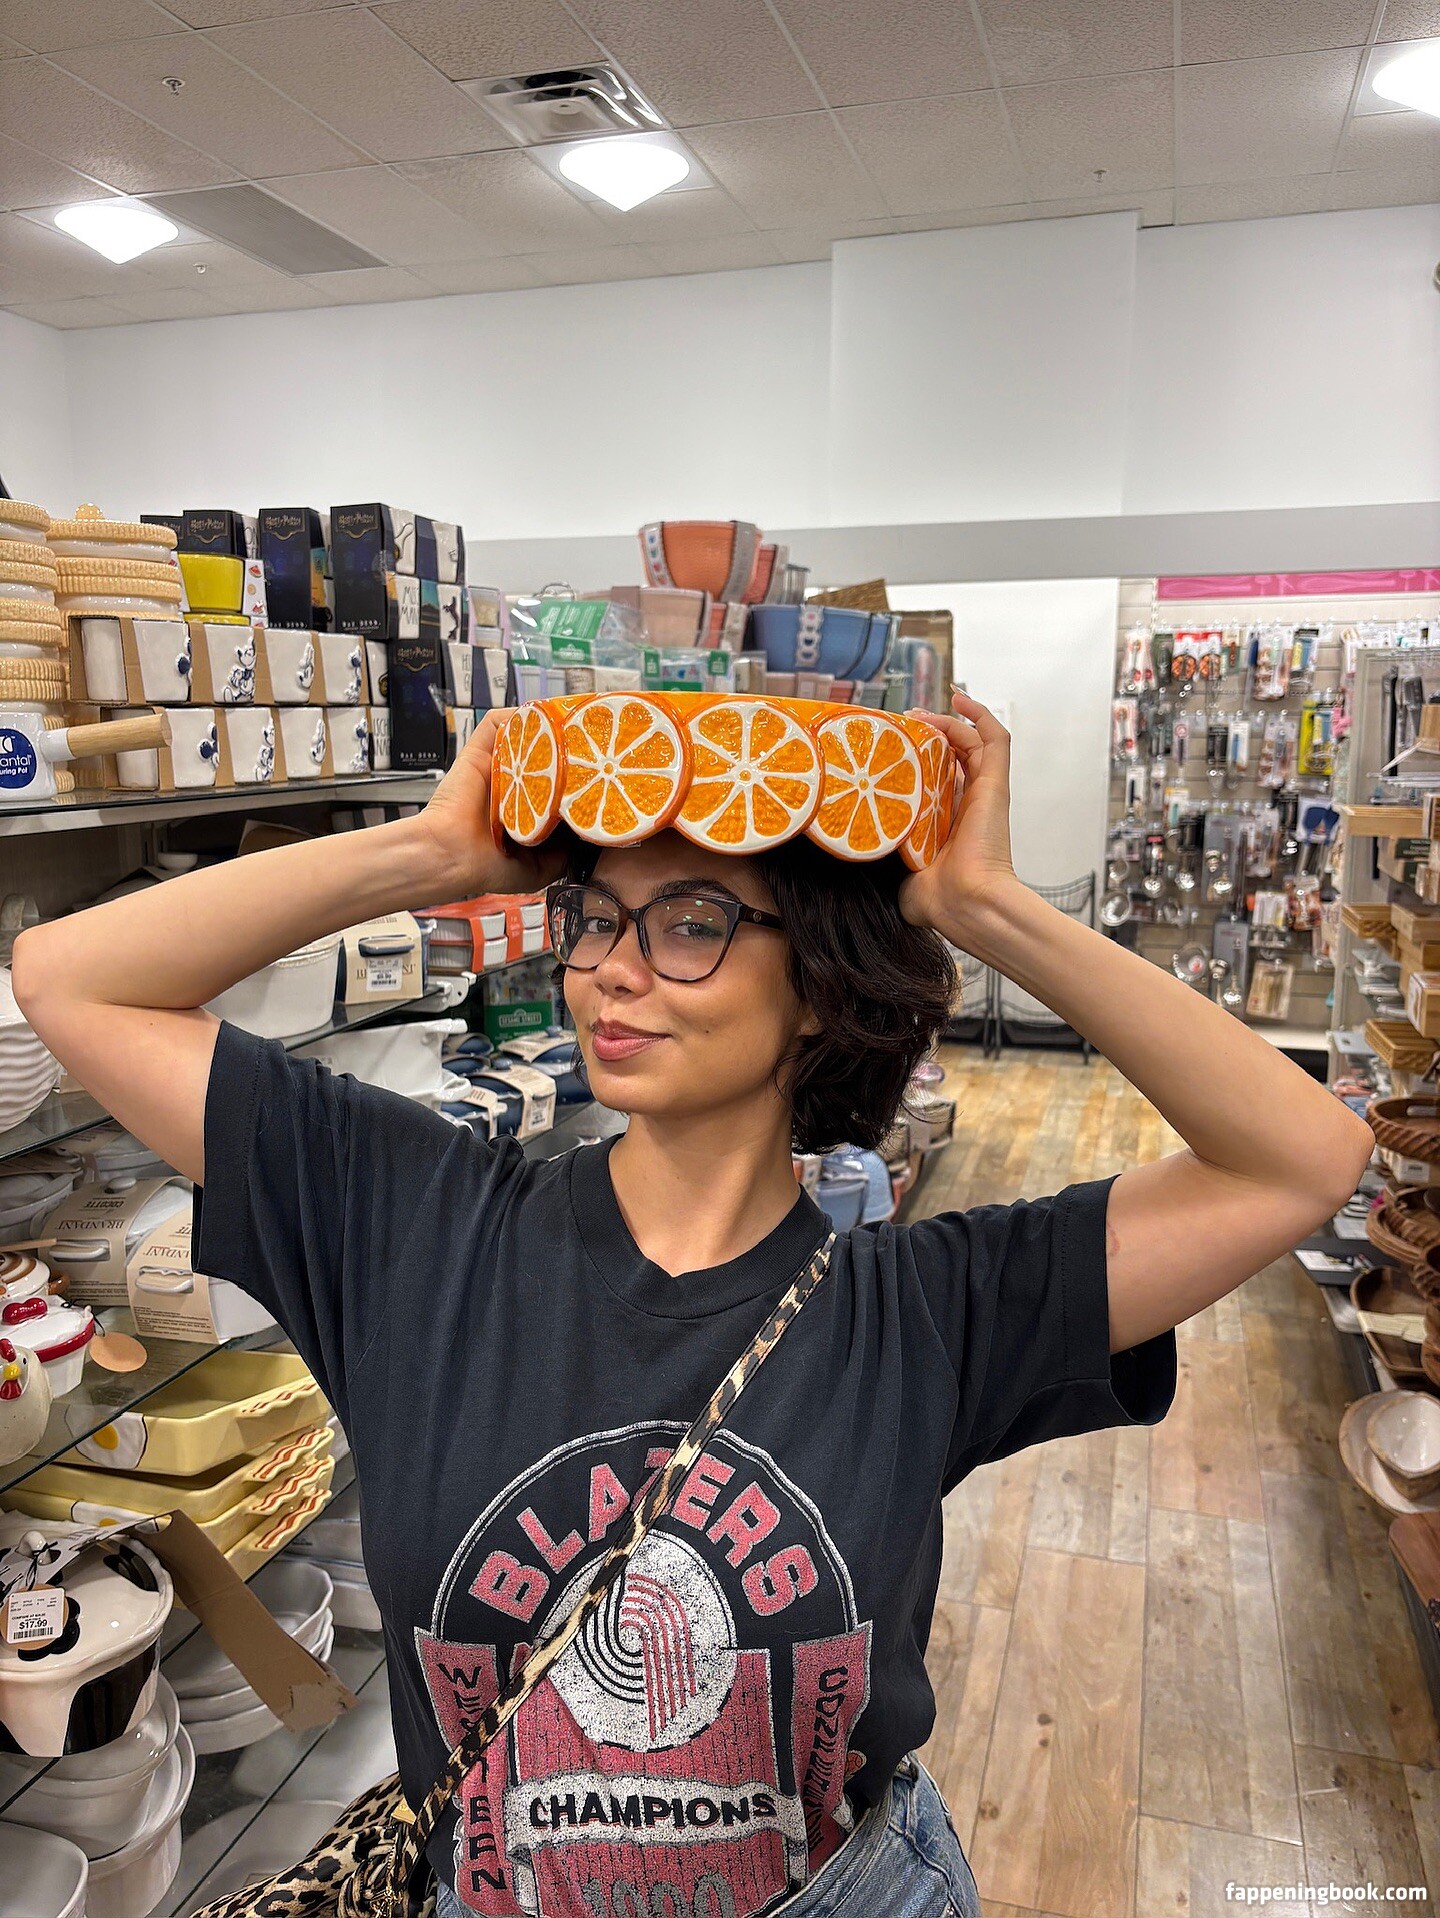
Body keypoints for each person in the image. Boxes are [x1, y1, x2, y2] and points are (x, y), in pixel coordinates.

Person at [13, 690, 1373, 1918]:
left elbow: (1302, 1157)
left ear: (819, 986)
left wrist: (985, 908)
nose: (614, 966)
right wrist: (428, 856)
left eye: (693, 922)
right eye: (597, 915)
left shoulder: (931, 1313)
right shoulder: (416, 1225)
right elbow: (70, 979)